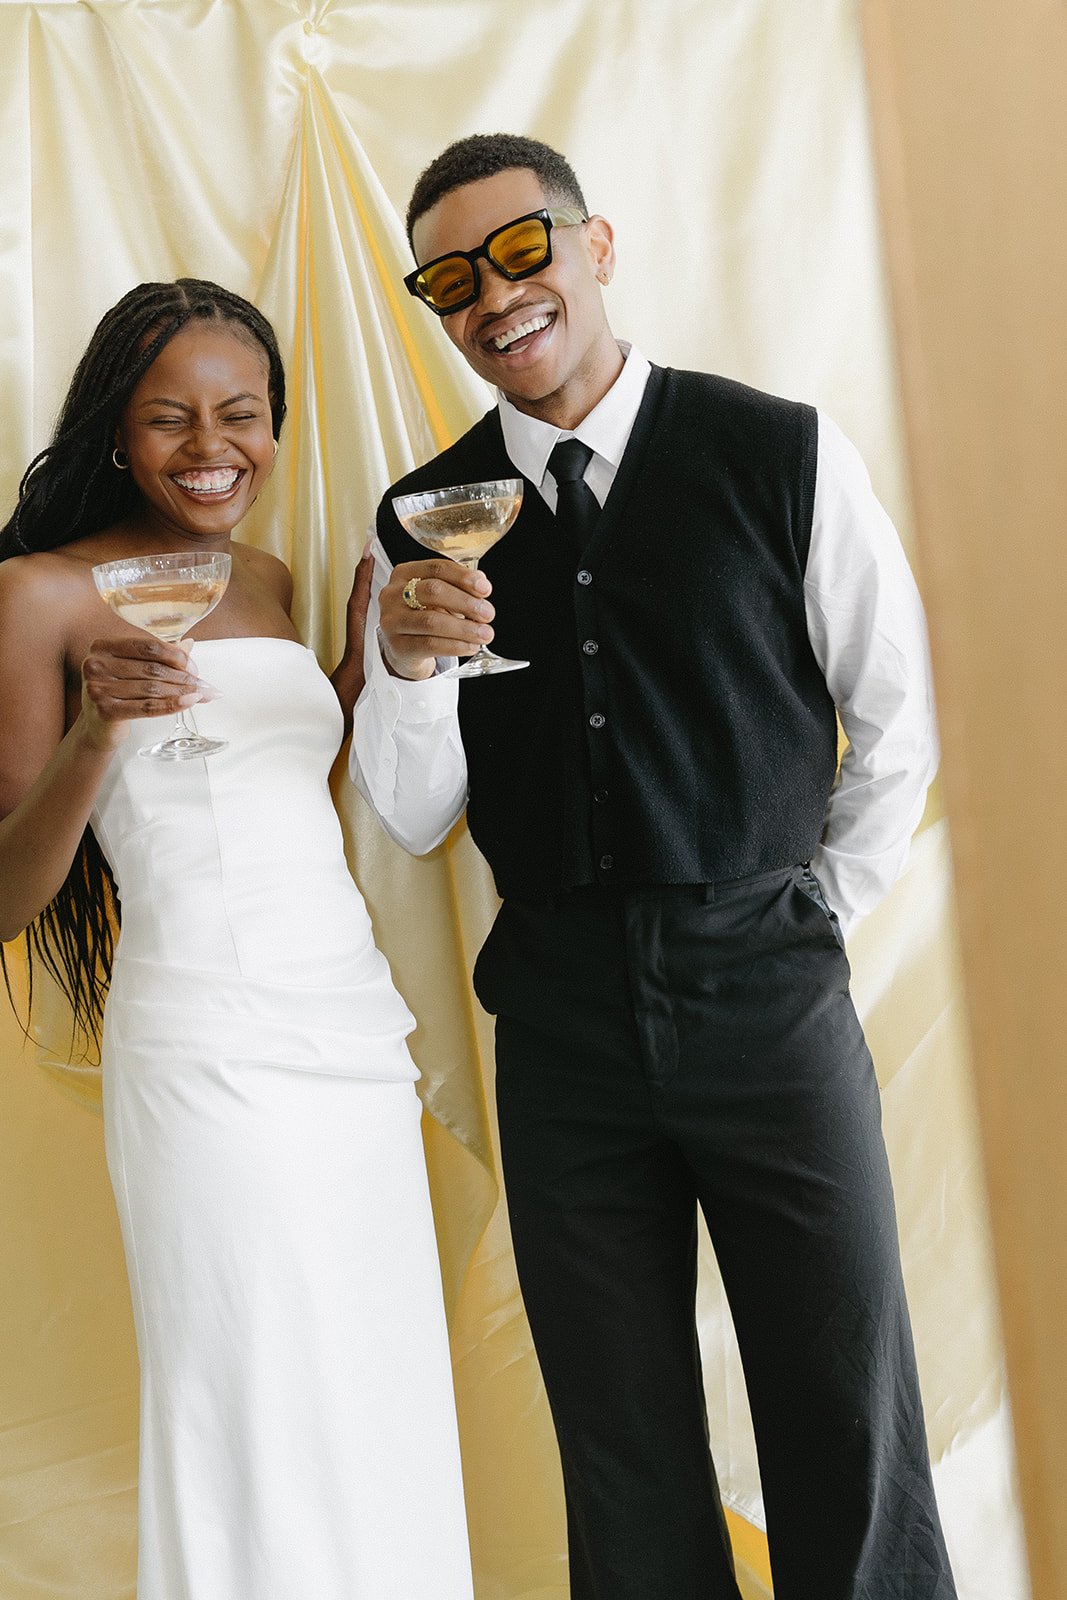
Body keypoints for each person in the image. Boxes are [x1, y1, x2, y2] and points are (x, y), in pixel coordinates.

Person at [351, 134, 957, 1599]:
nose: (494, 296)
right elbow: (414, 813)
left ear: (596, 245)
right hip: (560, 1017)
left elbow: (898, 718)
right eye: (451, 279)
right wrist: (408, 669)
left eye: (522, 250)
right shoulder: (424, 514)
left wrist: (810, 910)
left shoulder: (779, 451)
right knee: (617, 1430)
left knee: (842, 1396)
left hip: (768, 988)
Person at [0, 279, 473, 1600]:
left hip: (351, 1037)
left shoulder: (263, 577)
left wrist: (356, 673)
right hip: (207, 1047)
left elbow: (276, 788)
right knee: (247, 1401)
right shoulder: (38, 597)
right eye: (170, 419)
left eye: (243, 414)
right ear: (115, 433)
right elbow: (10, 894)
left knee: (369, 1389)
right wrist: (98, 732)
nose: (213, 447)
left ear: (274, 423)